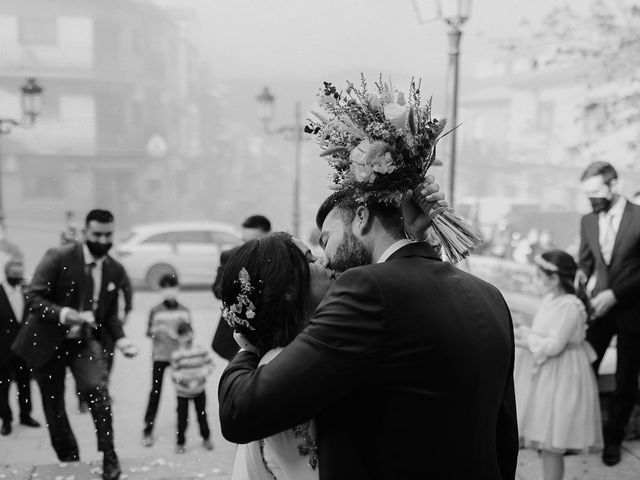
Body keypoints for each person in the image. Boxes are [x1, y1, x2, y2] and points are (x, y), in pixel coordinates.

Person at [219, 188, 518, 479]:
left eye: (326, 240)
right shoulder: (490, 296)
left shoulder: (368, 290)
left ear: (362, 217)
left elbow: (240, 412)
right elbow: (504, 435)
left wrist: (247, 349)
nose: (326, 259)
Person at [12, 209, 138, 480]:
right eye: (97, 234)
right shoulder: (58, 256)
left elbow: (109, 315)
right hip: (46, 341)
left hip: (83, 342)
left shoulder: (115, 270)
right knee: (53, 406)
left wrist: (123, 339)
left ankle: (109, 455)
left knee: (98, 391)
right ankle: (69, 460)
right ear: (85, 233)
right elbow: (34, 297)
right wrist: (65, 314)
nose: (103, 240)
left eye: (108, 234)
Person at [514, 250, 602, 480]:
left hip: (562, 377)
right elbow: (544, 334)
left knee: (553, 441)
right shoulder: (551, 299)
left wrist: (525, 339)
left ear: (553, 279)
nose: (536, 281)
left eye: (539, 276)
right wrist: (526, 332)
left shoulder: (570, 306)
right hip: (546, 375)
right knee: (546, 443)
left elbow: (554, 345)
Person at [578, 161, 640, 466]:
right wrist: (579, 283)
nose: (591, 199)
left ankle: (614, 440)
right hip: (598, 312)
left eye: (596, 192)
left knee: (626, 379)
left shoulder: (639, 217)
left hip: (632, 310)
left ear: (614, 186)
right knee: (584, 367)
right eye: (586, 194)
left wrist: (615, 294)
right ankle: (580, 433)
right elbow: (586, 263)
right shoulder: (587, 220)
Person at [211, 215, 271, 361]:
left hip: (269, 330)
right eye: (244, 240)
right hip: (237, 332)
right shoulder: (230, 256)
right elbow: (218, 290)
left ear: (268, 234)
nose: (248, 246)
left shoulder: (278, 257)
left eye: (255, 240)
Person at [142, 273, 191, 447]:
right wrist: (158, 329)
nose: (169, 291)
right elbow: (148, 332)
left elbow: (189, 333)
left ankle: (181, 433)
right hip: (160, 356)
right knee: (155, 392)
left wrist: (180, 336)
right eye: (165, 287)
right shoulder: (155, 310)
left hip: (179, 358)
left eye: (172, 287)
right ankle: (147, 429)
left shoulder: (184, 310)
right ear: (161, 290)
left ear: (177, 288)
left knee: (182, 394)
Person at [0, 259, 40, 435]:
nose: (18, 278)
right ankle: (6, 420)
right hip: (3, 349)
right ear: (7, 273)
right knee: (3, 387)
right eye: (14, 275)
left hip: (23, 348)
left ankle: (25, 415)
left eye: (20, 274)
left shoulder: (26, 292)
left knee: (25, 384)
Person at [170, 321, 214, 454]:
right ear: (178, 337)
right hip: (182, 392)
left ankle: (206, 438)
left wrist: (203, 374)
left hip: (199, 390)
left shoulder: (200, 351)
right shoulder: (177, 355)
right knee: (182, 419)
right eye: (184, 335)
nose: (188, 338)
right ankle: (180, 442)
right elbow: (173, 373)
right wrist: (182, 380)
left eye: (190, 334)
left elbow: (210, 364)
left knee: (202, 416)